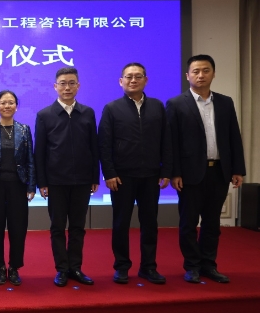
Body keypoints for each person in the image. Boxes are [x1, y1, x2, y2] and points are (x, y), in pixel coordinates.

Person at [166, 55, 245, 284]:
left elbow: (234, 137)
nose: (201, 75)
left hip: (219, 171)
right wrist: (174, 172)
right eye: (196, 71)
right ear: (187, 75)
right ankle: (192, 265)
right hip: (189, 174)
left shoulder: (225, 102)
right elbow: (171, 142)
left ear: (213, 73)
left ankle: (209, 264)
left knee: (212, 223)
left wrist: (238, 169)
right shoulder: (176, 104)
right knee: (188, 223)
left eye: (206, 70)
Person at [98, 63, 172, 285]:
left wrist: (166, 170)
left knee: (150, 223)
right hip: (122, 177)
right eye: (128, 77)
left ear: (145, 80)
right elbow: (104, 144)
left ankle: (148, 267)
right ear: (121, 81)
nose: (133, 80)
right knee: (121, 223)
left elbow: (166, 140)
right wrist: (109, 173)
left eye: (138, 76)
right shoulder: (112, 108)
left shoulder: (157, 107)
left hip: (151, 175)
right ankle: (122, 266)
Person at [34, 67, 99, 288]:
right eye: (62, 83)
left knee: (78, 227)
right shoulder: (44, 115)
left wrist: (94, 176)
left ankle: (76, 268)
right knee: (58, 227)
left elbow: (94, 147)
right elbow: (40, 152)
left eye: (72, 83)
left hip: (82, 180)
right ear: (55, 86)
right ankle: (62, 269)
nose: (67, 87)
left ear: (78, 86)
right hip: (56, 181)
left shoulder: (87, 112)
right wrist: (42, 182)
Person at [0, 90, 35, 286]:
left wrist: (31, 185)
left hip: (18, 185)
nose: (7, 106)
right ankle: (0, 267)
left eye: (11, 102)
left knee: (18, 228)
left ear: (16, 106)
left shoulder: (24, 130)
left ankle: (14, 267)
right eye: (3, 103)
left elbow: (30, 160)